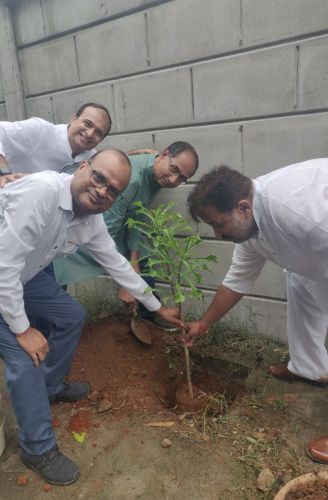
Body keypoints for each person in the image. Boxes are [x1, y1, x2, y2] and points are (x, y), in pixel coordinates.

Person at [0, 149, 183, 485]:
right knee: (25, 359)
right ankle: (37, 448)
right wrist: (23, 329)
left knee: (71, 314)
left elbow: (116, 265)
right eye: (99, 177)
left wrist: (156, 307)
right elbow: (4, 267)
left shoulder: (89, 219)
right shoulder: (42, 192)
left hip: (24, 275)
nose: (102, 191)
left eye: (113, 190)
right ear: (83, 167)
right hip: (3, 274)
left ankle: (51, 386)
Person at [184, 160, 328, 464]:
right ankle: (308, 367)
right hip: (319, 254)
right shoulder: (250, 227)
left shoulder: (301, 214)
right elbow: (237, 280)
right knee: (301, 282)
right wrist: (204, 324)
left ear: (243, 208)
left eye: (218, 225)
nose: (218, 234)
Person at [53, 141, 199, 320]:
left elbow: (136, 218)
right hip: (79, 221)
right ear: (164, 154)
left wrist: (134, 259)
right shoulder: (134, 178)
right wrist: (125, 281)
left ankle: (148, 315)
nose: (173, 180)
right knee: (59, 268)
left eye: (181, 178)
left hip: (108, 222)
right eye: (174, 169)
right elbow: (109, 228)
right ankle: (50, 315)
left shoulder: (154, 175)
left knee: (142, 258)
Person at [0, 102, 112, 175]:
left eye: (98, 132)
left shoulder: (92, 159)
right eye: (87, 124)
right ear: (73, 119)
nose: (90, 133)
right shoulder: (40, 130)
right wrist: (5, 174)